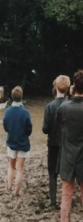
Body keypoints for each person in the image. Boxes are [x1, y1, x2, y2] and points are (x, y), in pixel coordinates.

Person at [57, 70, 83, 222]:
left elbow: (59, 128)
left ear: (74, 86)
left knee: (66, 197)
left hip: (67, 157)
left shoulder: (64, 107)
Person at [42, 75, 70, 209]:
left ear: (55, 87)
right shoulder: (69, 105)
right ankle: (66, 200)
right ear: (68, 88)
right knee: (66, 174)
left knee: (52, 173)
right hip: (66, 144)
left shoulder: (50, 106)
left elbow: (45, 129)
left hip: (53, 144)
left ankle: (53, 201)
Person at [3, 86, 32, 196]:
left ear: (12, 97)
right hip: (23, 143)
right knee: (20, 169)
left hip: (11, 142)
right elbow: (29, 129)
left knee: (11, 167)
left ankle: (9, 188)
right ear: (21, 97)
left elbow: (5, 126)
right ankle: (16, 192)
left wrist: (11, 131)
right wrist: (25, 134)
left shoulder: (8, 111)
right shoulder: (25, 112)